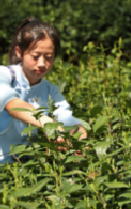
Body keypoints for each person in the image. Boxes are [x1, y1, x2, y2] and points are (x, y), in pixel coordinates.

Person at [0, 17, 87, 163]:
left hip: (22, 169)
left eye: (48, 57)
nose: (42, 63)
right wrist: (45, 121)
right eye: (35, 56)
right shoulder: (4, 75)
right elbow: (11, 103)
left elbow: (68, 120)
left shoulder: (50, 91)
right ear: (19, 52)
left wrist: (79, 138)